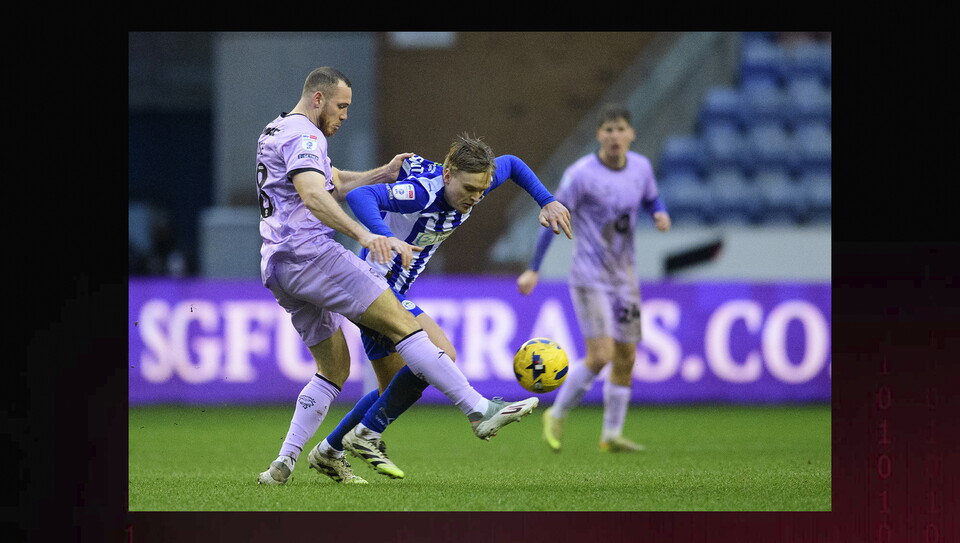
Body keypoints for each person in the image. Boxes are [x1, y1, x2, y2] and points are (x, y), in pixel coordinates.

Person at [256, 67, 542, 486]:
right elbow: (315, 194)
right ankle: (478, 410)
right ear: (318, 99)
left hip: (277, 264)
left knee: (335, 370)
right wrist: (369, 234)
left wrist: (382, 172)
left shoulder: (275, 130)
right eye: (341, 106)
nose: (345, 115)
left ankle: (284, 464)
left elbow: (332, 180)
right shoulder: (306, 135)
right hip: (311, 254)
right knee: (414, 333)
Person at [308, 134, 573, 480]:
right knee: (440, 355)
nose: (475, 197)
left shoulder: (472, 183)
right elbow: (359, 195)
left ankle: (329, 450)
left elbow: (511, 163)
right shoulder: (422, 192)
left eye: (482, 189)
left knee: (394, 389)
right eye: (469, 189)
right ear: (448, 175)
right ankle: (370, 434)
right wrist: (380, 234)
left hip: (391, 287)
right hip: (373, 287)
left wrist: (547, 201)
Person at [516, 104, 671, 454]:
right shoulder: (580, 174)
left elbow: (650, 197)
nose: (615, 136)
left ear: (631, 134)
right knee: (600, 354)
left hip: (625, 278)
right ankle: (556, 414)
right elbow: (552, 214)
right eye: (609, 130)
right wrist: (534, 268)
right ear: (599, 135)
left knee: (627, 356)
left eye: (621, 130)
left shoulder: (642, 168)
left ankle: (611, 435)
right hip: (589, 276)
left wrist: (659, 211)